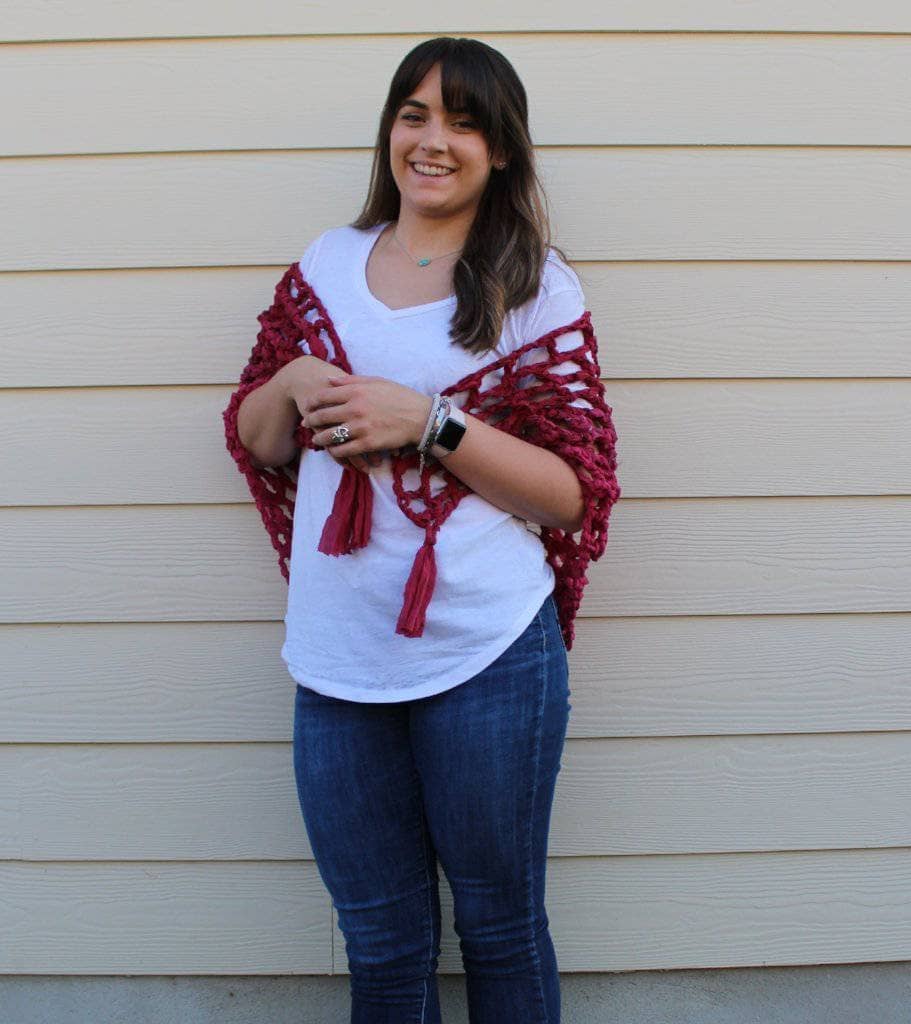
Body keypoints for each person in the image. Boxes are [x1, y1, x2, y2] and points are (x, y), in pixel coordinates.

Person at [227, 36, 618, 1024]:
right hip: (337, 658)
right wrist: (286, 380)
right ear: (388, 131)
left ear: (500, 151)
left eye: (462, 121)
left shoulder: (533, 285)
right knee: (381, 940)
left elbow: (571, 491)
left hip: (487, 650)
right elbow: (258, 439)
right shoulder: (324, 266)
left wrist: (430, 423)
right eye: (414, 113)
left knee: (498, 923)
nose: (432, 139)